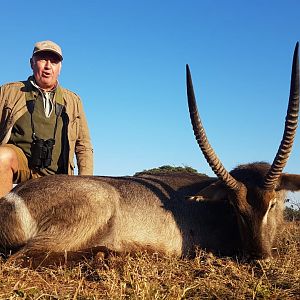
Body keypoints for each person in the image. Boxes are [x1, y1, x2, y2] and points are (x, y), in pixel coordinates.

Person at [0, 40, 93, 197]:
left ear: (60, 68)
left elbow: (83, 145)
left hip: (58, 175)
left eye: (54, 61)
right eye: (43, 59)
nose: (48, 66)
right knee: (2, 157)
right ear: (32, 63)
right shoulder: (9, 91)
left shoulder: (73, 100)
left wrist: (87, 184)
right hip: (23, 166)